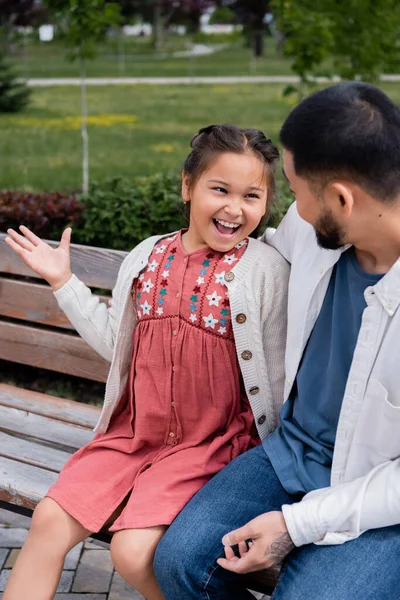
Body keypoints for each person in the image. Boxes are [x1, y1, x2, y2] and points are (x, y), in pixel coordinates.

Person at [3, 125, 289, 600]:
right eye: (219, 189)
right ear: (187, 186)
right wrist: (64, 283)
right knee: (49, 518)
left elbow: (279, 372)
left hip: (210, 447)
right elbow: (117, 344)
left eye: (252, 196)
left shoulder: (264, 271)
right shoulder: (147, 256)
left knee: (133, 552)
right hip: (135, 437)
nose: (235, 208)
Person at [153, 82, 400, 600]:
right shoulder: (313, 230)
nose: (290, 207)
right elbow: (248, 260)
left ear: (340, 198)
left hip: (379, 494)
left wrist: (295, 526)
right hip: (289, 451)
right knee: (180, 561)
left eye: (294, 189)